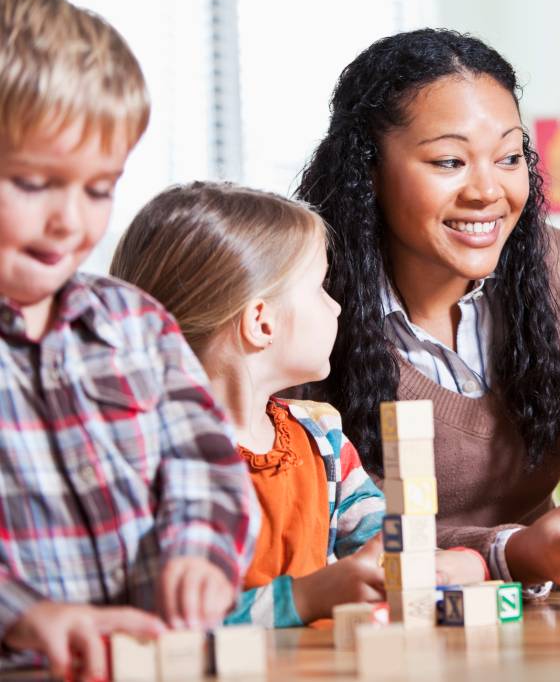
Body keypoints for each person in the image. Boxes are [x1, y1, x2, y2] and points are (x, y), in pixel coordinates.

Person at [296, 29, 560, 599]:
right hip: (384, 630)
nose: (488, 191)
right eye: (449, 161)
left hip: (539, 623)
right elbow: (324, 540)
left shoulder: (558, 269)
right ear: (367, 168)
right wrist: (516, 553)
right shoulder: (305, 312)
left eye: (510, 157)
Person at [0, 0, 256, 676]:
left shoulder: (137, 325)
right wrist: (23, 614)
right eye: (33, 183)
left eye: (97, 189)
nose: (69, 220)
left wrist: (200, 551)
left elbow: (204, 461)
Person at [111, 182, 487, 627]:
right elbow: (162, 625)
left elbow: (384, 550)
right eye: (320, 288)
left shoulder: (322, 438)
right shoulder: (151, 458)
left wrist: (450, 564)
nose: (336, 307)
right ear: (261, 322)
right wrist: (306, 597)